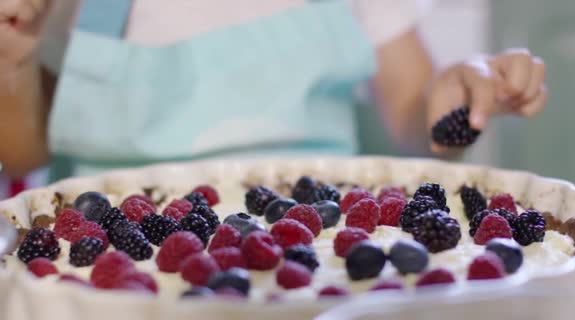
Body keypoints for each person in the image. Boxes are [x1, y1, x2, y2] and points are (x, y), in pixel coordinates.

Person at [0, 0, 546, 181]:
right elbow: (24, 152)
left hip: (310, 258)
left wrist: (456, 99)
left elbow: (412, 106)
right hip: (104, 270)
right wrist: (14, 64)